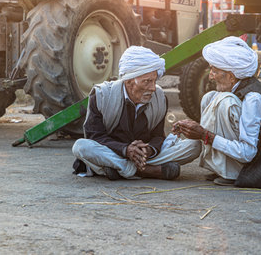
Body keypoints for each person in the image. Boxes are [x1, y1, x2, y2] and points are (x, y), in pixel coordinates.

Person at [172, 36, 261, 188]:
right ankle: (223, 168)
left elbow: (248, 152)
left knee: (225, 102)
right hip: (257, 159)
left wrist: (205, 135)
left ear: (231, 76)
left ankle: (234, 173)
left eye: (214, 70)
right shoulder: (239, 88)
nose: (211, 75)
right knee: (210, 97)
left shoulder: (253, 99)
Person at [72, 46, 198, 180]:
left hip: (144, 156)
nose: (153, 88)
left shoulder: (159, 98)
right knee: (81, 146)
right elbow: (95, 136)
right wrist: (125, 150)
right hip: (113, 152)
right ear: (129, 81)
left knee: (194, 146)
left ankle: (119, 168)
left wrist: (149, 150)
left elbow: (158, 136)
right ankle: (144, 171)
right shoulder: (102, 95)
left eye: (154, 81)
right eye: (147, 81)